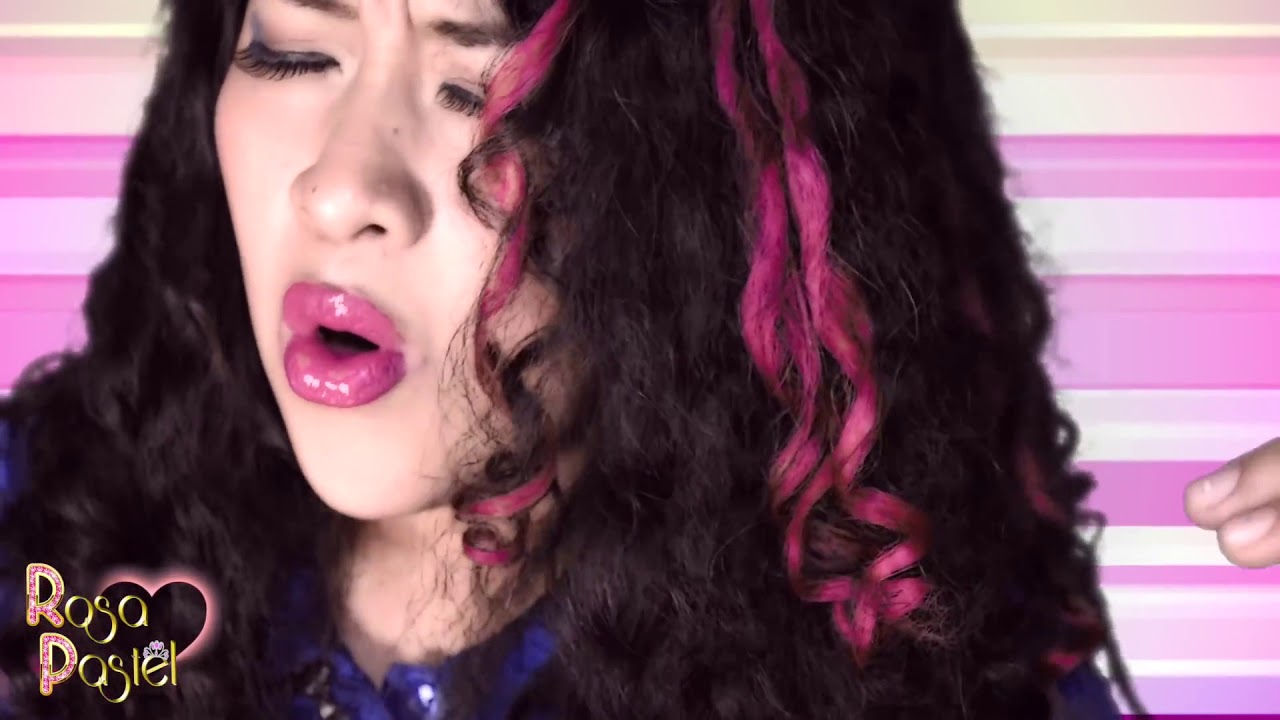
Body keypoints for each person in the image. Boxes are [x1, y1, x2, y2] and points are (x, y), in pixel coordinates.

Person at [0, 0, 1276, 717]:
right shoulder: (47, 548)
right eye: (291, 47)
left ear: (718, 183)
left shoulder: (915, 683)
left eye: (483, 94)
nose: (339, 189)